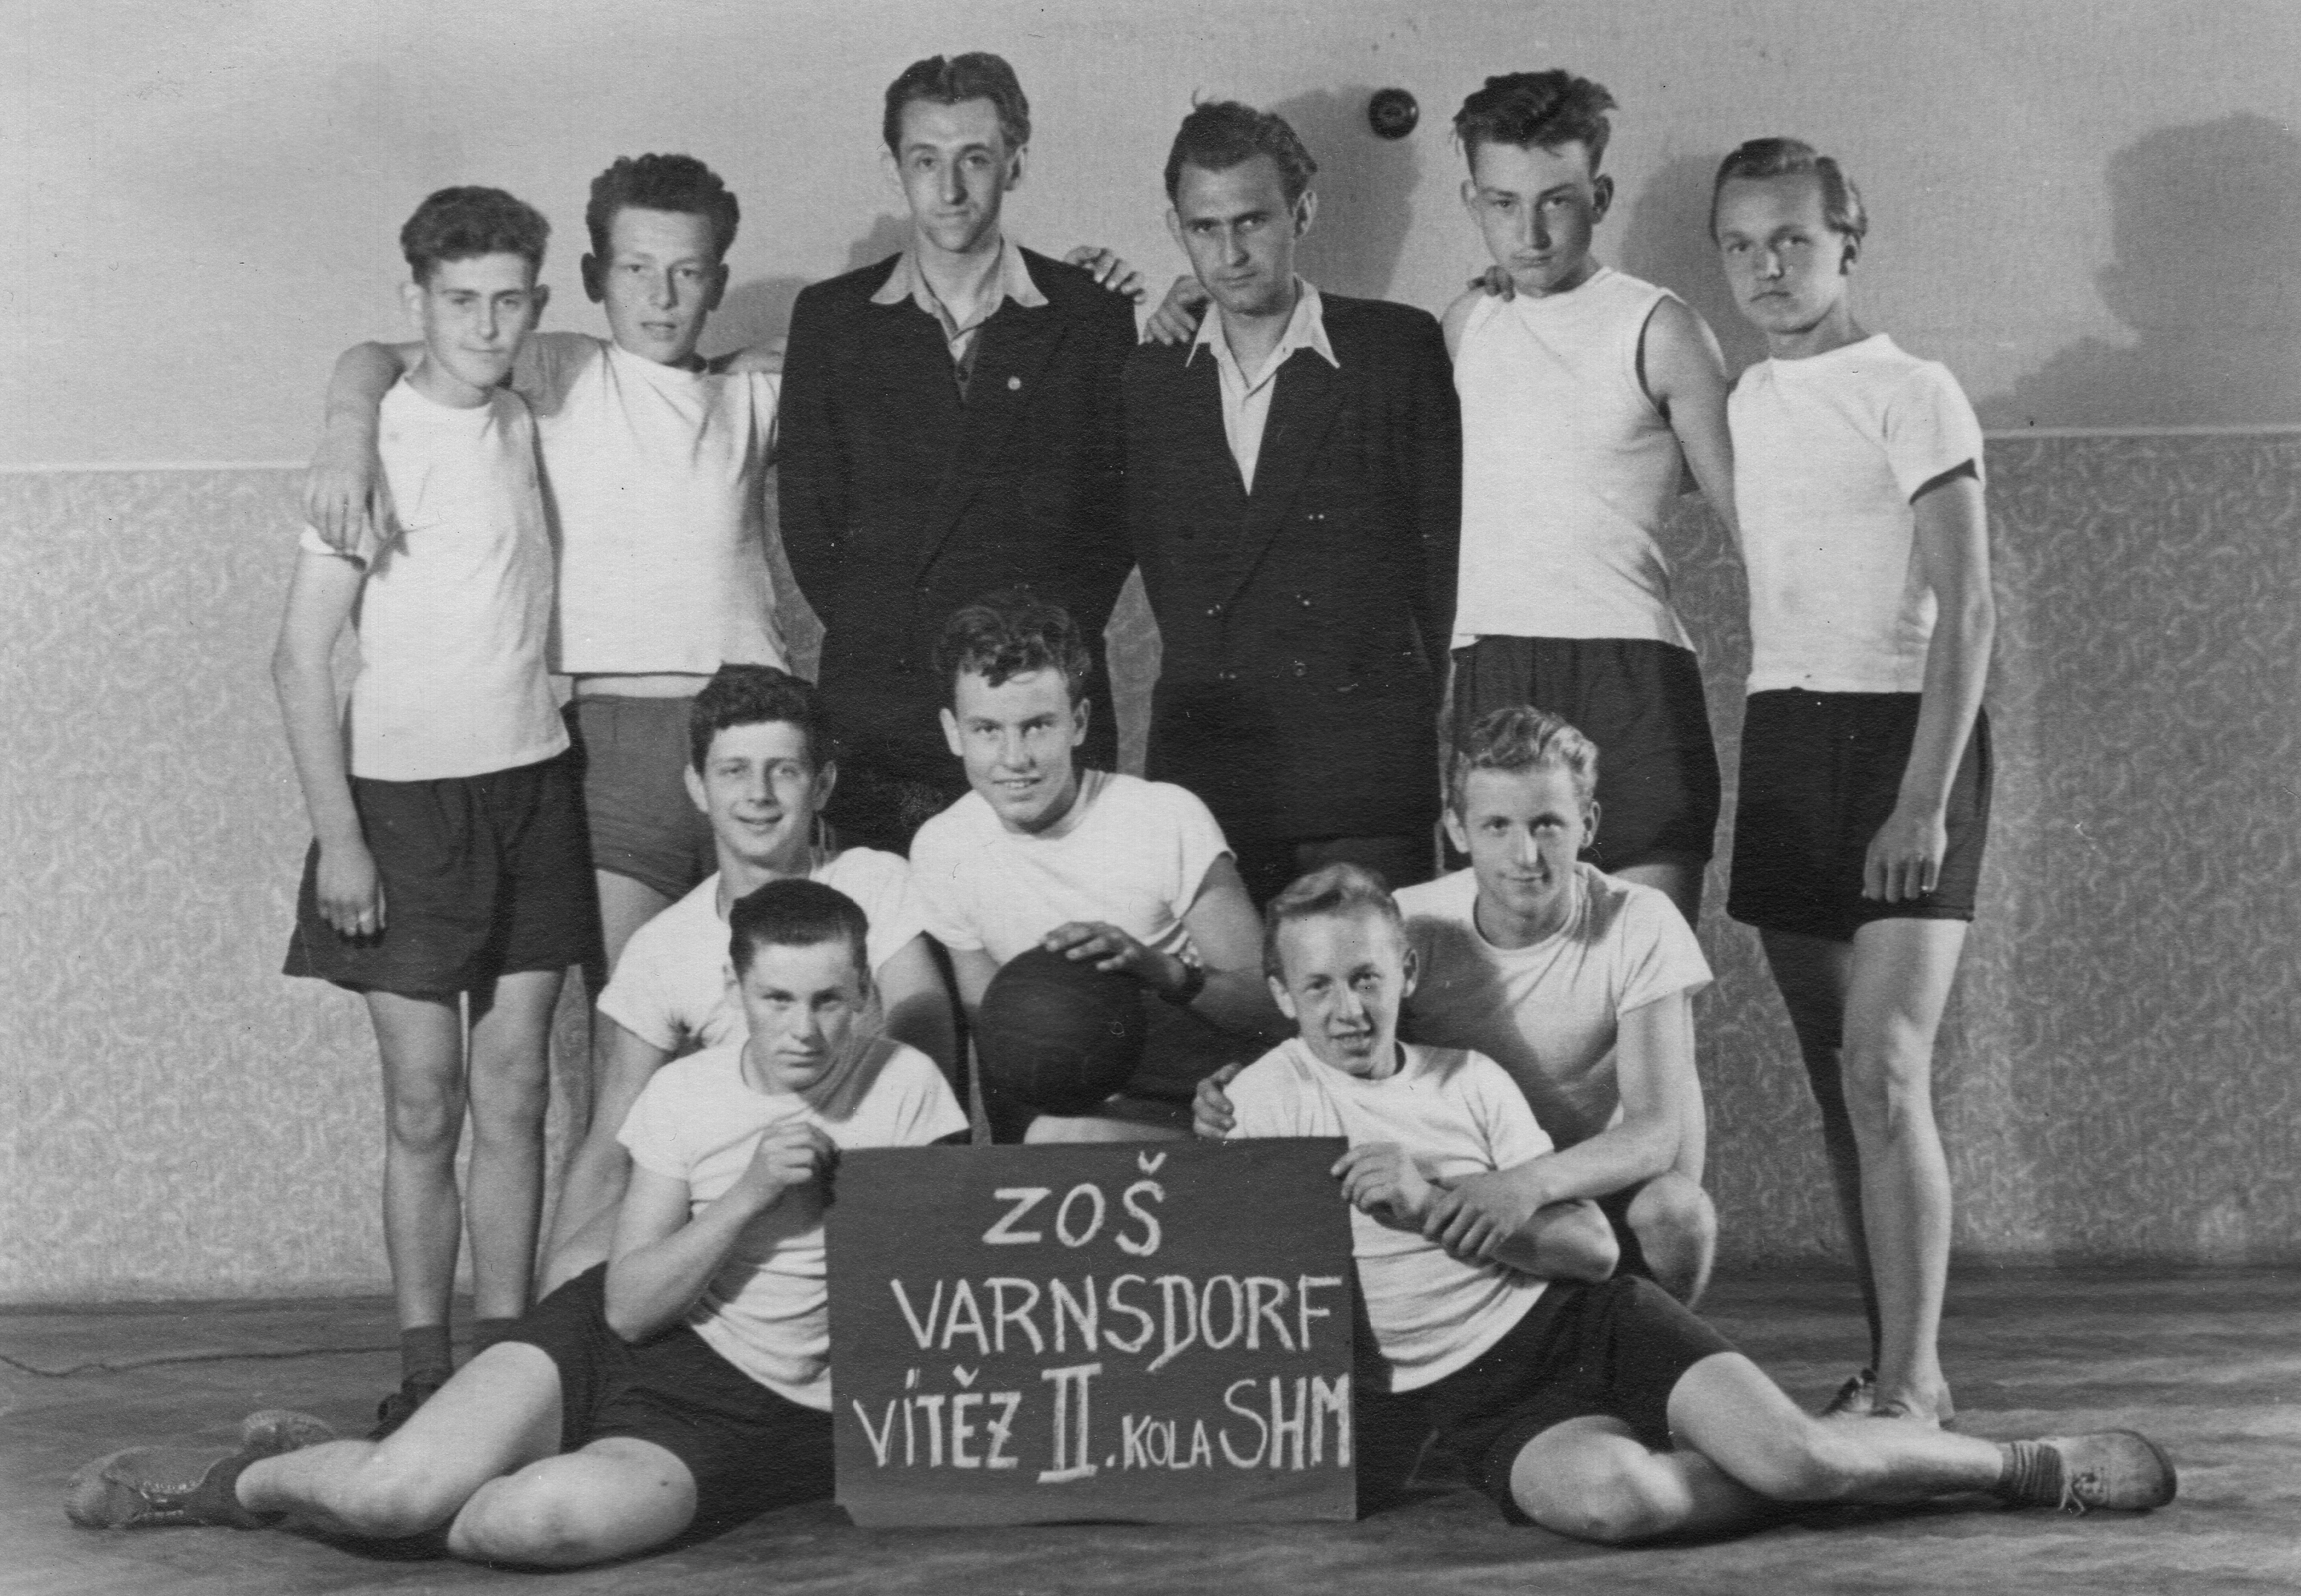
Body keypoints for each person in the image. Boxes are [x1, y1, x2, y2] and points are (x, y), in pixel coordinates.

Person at [1220, 864, 2173, 1542]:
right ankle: (1861, 1453)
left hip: (1585, 1324)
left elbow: (1593, 1253)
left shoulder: (1466, 1080)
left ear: (1404, 974)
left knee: (1800, 1462)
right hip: (1471, 1395)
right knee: (1621, 1506)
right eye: (1318, 986)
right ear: (1280, 995)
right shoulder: (1261, 1101)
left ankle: (2019, 1466)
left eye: (1366, 978)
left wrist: (1432, 1205)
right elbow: (1202, 1251)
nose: (1347, 1009)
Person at [68, 881, 969, 1563]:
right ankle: (240, 1484)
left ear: (864, 994)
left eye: (828, 1001)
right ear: (736, 989)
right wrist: (746, 1196)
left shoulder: (911, 1092)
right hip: (625, 1342)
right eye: (777, 999)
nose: (804, 1030)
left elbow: (945, 1302)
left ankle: (372, 1463)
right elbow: (629, 1309)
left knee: (529, 1522)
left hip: (757, 1415)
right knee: (393, 1498)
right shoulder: (687, 1093)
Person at [271, 187, 598, 1434]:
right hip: (403, 812)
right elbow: (298, 661)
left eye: (510, 300)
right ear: (418, 300)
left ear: (538, 303)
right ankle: (423, 1371)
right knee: (425, 1102)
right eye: (461, 301)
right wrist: (342, 841)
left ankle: (503, 1370)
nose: (488, 324)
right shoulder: (371, 445)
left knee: (517, 1095)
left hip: (535, 787)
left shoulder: (528, 407)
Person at [305, 153, 787, 969]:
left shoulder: (751, 390)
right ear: (594, 277)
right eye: (636, 269)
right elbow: (373, 356)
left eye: (688, 272)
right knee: (631, 1004)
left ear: (717, 281)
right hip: (617, 731)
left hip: (757, 721)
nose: (662, 296)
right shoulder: (562, 365)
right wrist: (348, 434)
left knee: (771, 988)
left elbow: (886, 360)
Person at [1713, 139, 1997, 1427]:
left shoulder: (1914, 389)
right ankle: (1887, 1372)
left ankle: (1919, 1381)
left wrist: (1922, 800)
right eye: (1740, 245)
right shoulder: (1746, 399)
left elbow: (1971, 608)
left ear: (1848, 242)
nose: (1767, 268)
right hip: (1785, 736)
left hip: (1905, 744)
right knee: (1843, 1084)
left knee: (1885, 1070)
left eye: (1793, 240)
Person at [1196, 707, 1716, 1304]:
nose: (1525, 855)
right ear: (1458, 830)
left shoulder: (1639, 919)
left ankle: (1662, 1344)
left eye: (1547, 824)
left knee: (1677, 1210)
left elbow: (1656, 1135)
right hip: (1471, 1169)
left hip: (1596, 1178)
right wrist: (1239, 1094)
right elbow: (1330, 1015)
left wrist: (1525, 1185)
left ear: (1588, 823)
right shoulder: (1411, 920)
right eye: (1497, 826)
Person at [780, 52, 1146, 852]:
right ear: (894, 168)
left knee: (1053, 930)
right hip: (885, 711)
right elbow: (812, 526)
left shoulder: (1088, 313)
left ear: (1016, 163)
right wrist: (894, 637)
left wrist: (1036, 653)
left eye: (974, 158)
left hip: (1036, 709)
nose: (949, 189)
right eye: (925, 160)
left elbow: (1115, 523)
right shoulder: (834, 320)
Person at [1126, 99, 1460, 905]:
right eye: (1205, 228)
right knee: (1228, 990)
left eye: (1252, 221)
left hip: (1365, 767)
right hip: (1210, 766)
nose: (1231, 253)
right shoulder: (1148, 375)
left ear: (1301, 213)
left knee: (1374, 982)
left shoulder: (1394, 347)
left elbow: (1444, 566)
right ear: (1176, 229)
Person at [542, 663, 958, 1287]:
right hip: (726, 1189)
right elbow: (609, 1147)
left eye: (783, 770)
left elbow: (922, 1019)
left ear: (822, 785)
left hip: (857, 1167)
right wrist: (551, 1293)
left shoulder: (872, 879)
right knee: (578, 1273)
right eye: (733, 771)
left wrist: (862, 1132)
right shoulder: (663, 944)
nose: (758, 794)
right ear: (697, 786)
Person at [1439, 71, 1738, 926]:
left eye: (1556, 202)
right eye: (1503, 204)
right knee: (1509, 981)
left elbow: (1755, 527)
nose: (1529, 234)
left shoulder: (1663, 328)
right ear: (1471, 202)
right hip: (1493, 664)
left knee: (1646, 973)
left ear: (1598, 198)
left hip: (1631, 673)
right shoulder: (1465, 323)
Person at [909, 592, 1280, 1142]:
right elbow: (999, 1038)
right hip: (1072, 1117)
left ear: (1079, 723)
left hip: (1208, 1107)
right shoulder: (943, 847)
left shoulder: (1162, 816)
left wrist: (1157, 969)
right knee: (1057, 1137)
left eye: (1038, 726)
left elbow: (1271, 1007)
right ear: (952, 732)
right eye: (987, 729)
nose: (1014, 758)